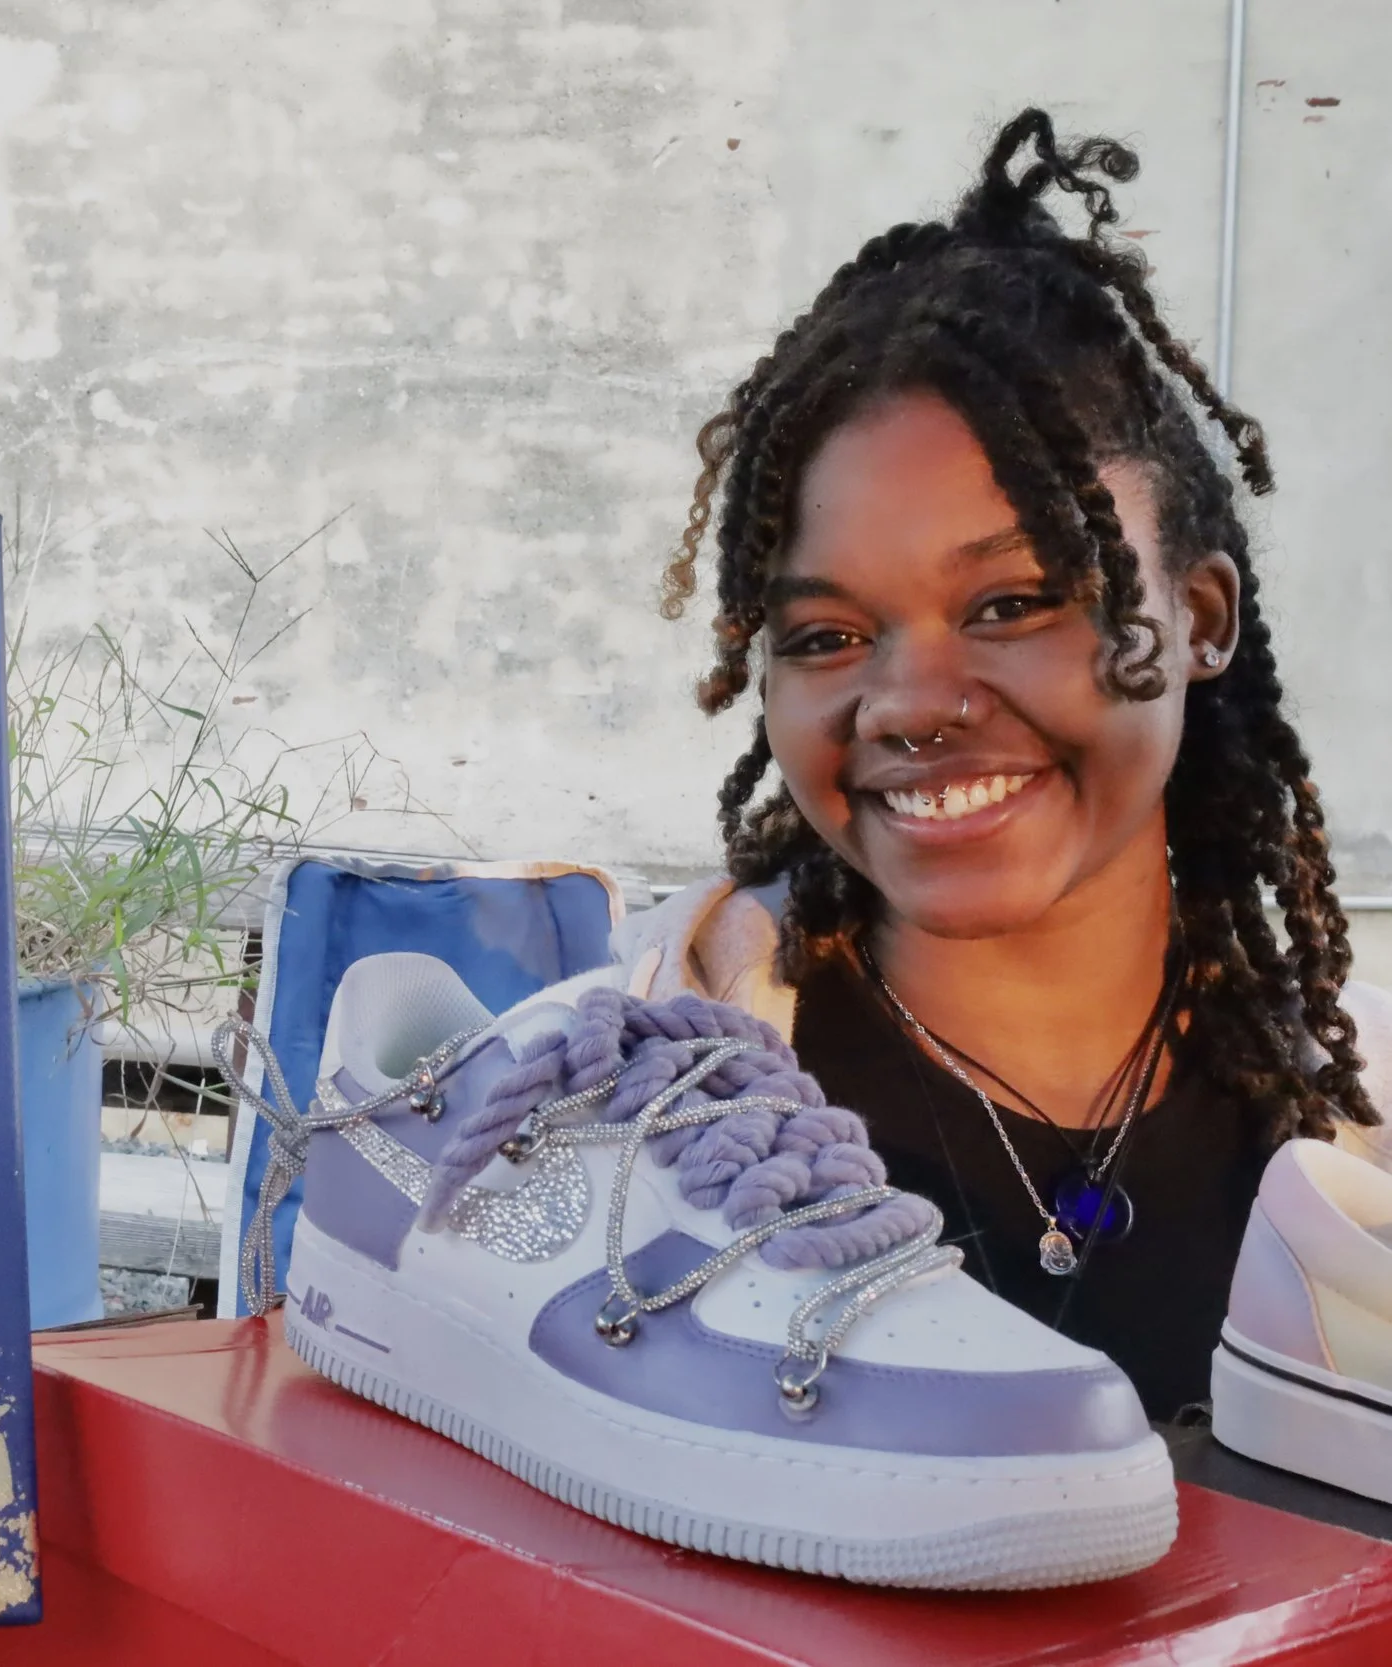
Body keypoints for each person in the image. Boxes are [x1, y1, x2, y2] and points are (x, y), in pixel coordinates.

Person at [571, 109, 1391, 1422]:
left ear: (1199, 616)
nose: (909, 703)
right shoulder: (617, 1106)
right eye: (827, 635)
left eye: (1012, 603)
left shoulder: (1357, 1141)